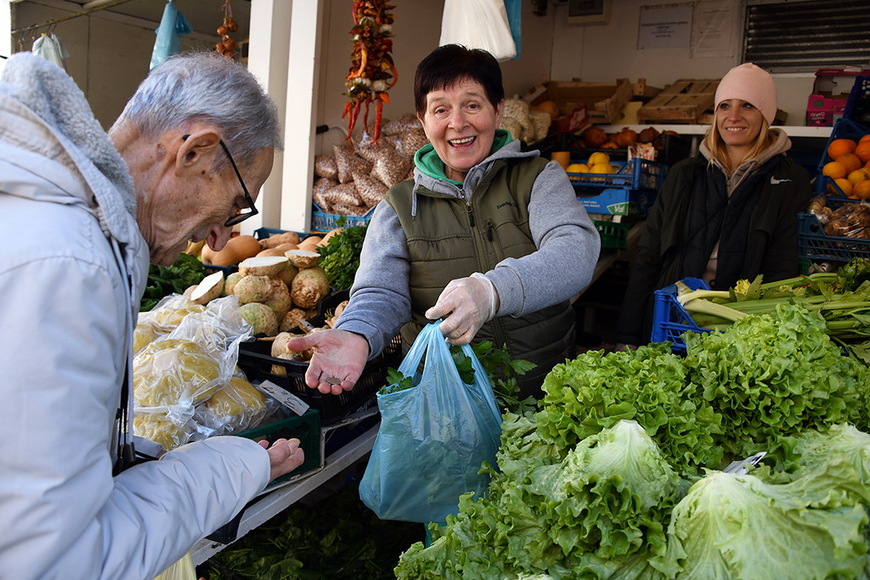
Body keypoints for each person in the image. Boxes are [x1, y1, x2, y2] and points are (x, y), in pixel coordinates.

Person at [0, 52, 305, 579]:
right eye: (235, 205)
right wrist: (228, 468)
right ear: (196, 151)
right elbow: (58, 560)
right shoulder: (73, 268)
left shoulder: (48, 227)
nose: (219, 238)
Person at [289, 44, 601, 398]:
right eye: (440, 109)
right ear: (423, 121)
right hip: (446, 401)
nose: (458, 123)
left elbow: (576, 251)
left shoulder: (538, 178)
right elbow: (381, 290)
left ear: (497, 112)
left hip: (546, 390)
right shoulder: (400, 204)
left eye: (472, 105)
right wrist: (357, 332)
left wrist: (492, 290)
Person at [615, 63, 813, 348]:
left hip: (741, 326)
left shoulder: (789, 179)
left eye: (747, 105)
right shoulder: (684, 174)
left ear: (765, 114)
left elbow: (782, 267)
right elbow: (649, 255)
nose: (733, 116)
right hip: (671, 318)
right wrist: (628, 336)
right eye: (724, 106)